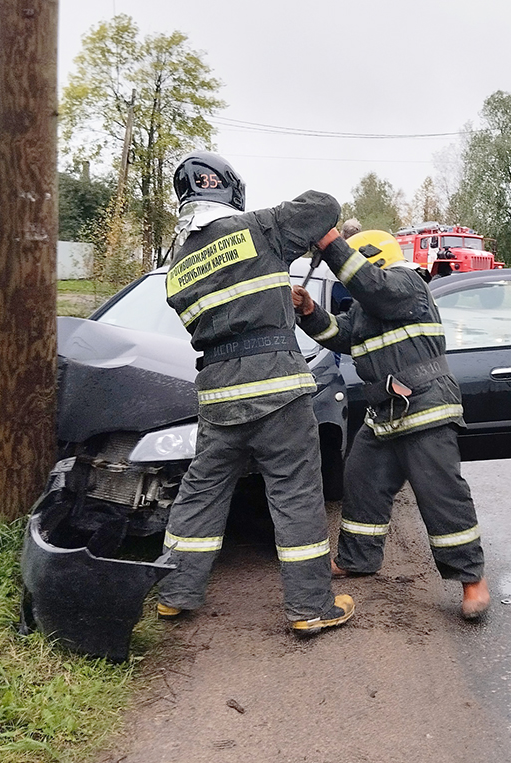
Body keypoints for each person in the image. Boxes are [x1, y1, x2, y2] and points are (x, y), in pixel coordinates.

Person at [157, 151, 354, 636]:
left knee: (201, 491)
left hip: (218, 396)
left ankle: (173, 593)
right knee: (295, 493)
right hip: (278, 392)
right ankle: (310, 607)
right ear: (230, 189)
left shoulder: (176, 268)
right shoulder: (258, 229)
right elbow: (324, 206)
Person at [291, 229, 491, 620]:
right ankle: (358, 559)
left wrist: (331, 244)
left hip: (426, 408)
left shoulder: (406, 284)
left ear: (374, 261)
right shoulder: (368, 310)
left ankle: (472, 579)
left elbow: (372, 286)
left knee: (441, 496)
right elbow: (340, 335)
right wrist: (309, 312)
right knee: (361, 480)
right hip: (385, 414)